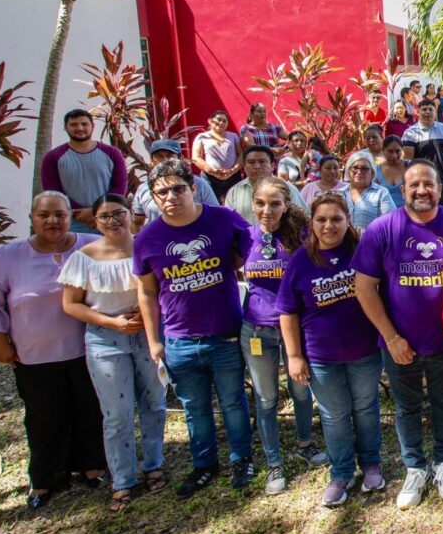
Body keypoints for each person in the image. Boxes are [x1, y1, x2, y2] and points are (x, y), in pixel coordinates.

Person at [353, 161, 443, 510]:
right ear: (402, 190)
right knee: (406, 407)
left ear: (440, 188)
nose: (421, 190)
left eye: (428, 184)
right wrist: (391, 337)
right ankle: (415, 467)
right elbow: (363, 287)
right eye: (414, 185)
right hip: (399, 343)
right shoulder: (382, 229)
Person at [134, 159, 255, 496]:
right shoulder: (147, 239)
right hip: (179, 340)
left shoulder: (224, 219)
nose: (170, 196)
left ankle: (242, 459)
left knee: (233, 401)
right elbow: (146, 291)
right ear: (153, 198)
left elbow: (249, 255)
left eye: (177, 189)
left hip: (225, 333)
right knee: (194, 407)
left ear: (193, 188)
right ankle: (204, 464)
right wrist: (154, 340)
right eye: (161, 192)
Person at [0, 191, 106, 508]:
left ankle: (92, 465)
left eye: (60, 214)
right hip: (34, 354)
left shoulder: (90, 244)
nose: (52, 221)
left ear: (69, 216)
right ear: (32, 218)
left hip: (88, 349)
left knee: (90, 410)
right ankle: (45, 477)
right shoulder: (9, 257)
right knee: (43, 418)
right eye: (44, 215)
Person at [59, 194, 168, 513]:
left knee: (154, 403)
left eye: (118, 213)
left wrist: (147, 315)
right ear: (95, 221)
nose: (113, 220)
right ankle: (122, 479)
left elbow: (165, 288)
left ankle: (153, 465)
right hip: (106, 339)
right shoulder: (85, 256)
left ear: (129, 214)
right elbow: (71, 304)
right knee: (117, 413)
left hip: (147, 332)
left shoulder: (147, 246)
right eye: (104, 216)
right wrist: (112, 321)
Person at [280, 193, 386, 505]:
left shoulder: (361, 250)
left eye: (336, 218)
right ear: (311, 223)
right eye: (322, 219)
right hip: (321, 356)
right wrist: (294, 355)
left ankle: (371, 463)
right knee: (334, 414)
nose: (329, 225)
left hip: (364, 350)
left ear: (348, 219)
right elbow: (288, 311)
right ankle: (341, 473)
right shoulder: (301, 260)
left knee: (366, 409)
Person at [239, 177, 325, 496]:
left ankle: (304, 443)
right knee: (266, 398)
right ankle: (274, 461)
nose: (267, 210)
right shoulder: (244, 237)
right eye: (260, 203)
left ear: (287, 205)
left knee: (301, 391)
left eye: (275, 203)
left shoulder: (302, 235)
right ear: (252, 204)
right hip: (256, 329)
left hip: (295, 328)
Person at [39, 108, 127, 233]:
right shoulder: (53, 157)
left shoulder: (112, 153)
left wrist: (97, 211)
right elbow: (53, 192)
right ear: (65, 127)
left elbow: (120, 186)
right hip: (72, 222)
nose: (80, 128)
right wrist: (80, 213)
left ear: (92, 126)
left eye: (84, 124)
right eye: (74, 124)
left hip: (109, 219)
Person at [133, 139, 219, 224]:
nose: (165, 160)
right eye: (159, 156)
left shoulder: (199, 184)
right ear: (151, 161)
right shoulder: (143, 189)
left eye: (170, 155)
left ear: (180, 159)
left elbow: (215, 214)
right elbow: (137, 222)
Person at [227, 145, 309, 219]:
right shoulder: (235, 191)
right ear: (244, 167)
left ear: (272, 166)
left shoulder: (288, 188)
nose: (257, 166)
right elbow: (228, 220)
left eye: (262, 162)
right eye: (251, 162)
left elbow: (304, 217)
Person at [402, 98, 443, 185]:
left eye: (430, 109)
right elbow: (409, 161)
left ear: (435, 112)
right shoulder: (410, 133)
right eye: (424, 109)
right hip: (422, 179)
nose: (427, 112)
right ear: (418, 112)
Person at [193, 110, 244, 199]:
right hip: (210, 178)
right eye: (219, 119)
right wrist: (212, 171)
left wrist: (233, 170)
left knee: (234, 202)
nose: (221, 123)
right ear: (210, 121)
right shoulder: (202, 137)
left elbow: (241, 154)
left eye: (224, 121)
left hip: (233, 177)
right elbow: (196, 157)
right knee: (211, 203)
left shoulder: (233, 136)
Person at [342, 150, 396, 232]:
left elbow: (389, 223)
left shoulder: (381, 193)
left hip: (371, 242)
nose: (359, 172)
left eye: (364, 169)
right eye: (355, 168)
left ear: (372, 173)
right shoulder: (339, 194)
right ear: (349, 171)